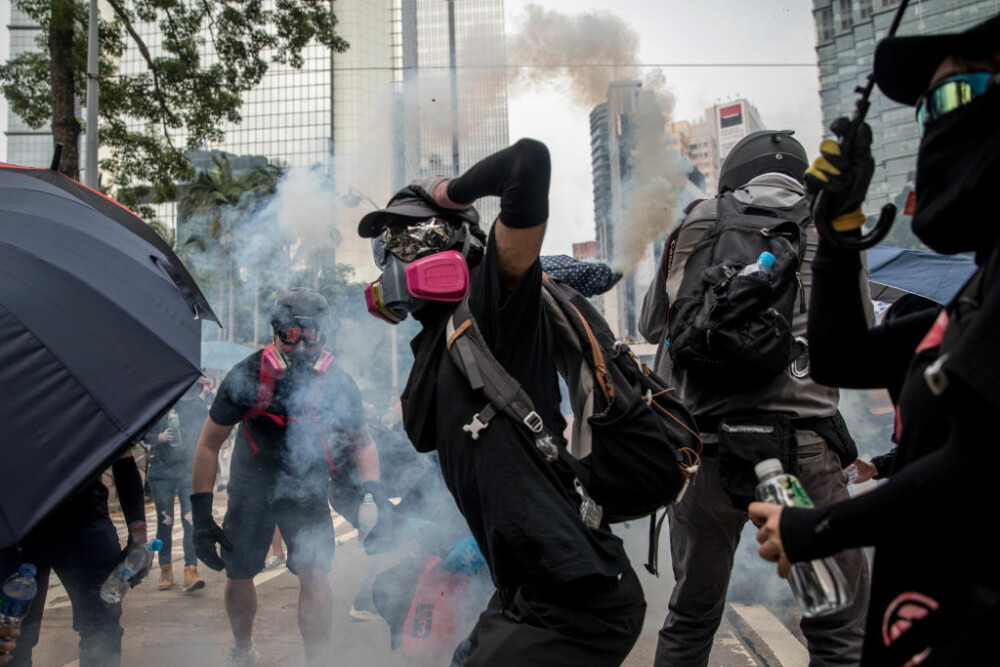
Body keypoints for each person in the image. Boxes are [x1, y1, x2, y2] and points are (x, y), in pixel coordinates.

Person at [750, 16, 1000, 666]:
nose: (936, 127)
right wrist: (837, 229)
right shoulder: (979, 294)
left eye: (955, 95)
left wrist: (812, 528)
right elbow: (843, 355)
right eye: (926, 111)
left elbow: (978, 468)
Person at [357, 139, 646, 665]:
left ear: (456, 244)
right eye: (386, 248)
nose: (392, 260)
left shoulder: (494, 306)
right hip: (528, 593)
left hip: (575, 597)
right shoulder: (437, 342)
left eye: (410, 237)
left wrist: (441, 192)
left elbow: (528, 162)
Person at [639, 130, 871, 666]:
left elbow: (655, 324)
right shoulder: (828, 222)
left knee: (692, 617)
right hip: (803, 454)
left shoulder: (698, 219)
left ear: (732, 178)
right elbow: (855, 338)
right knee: (837, 626)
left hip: (707, 453)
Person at [189, 288, 382, 666]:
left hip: (306, 486)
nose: (303, 347)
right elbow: (208, 445)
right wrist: (200, 515)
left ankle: (318, 660)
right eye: (293, 335)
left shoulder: (337, 380)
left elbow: (365, 443)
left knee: (315, 572)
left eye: (313, 336)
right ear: (276, 332)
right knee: (239, 572)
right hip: (250, 485)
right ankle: (243, 650)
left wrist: (371, 496)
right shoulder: (245, 375)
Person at [0, 451, 151, 666]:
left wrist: (138, 536)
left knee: (102, 626)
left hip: (83, 518)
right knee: (11, 637)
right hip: (15, 524)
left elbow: (123, 457)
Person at [145, 383, 209, 593]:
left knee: (190, 519)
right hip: (161, 470)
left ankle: (191, 570)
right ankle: (165, 570)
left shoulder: (198, 406)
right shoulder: (158, 404)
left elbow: (207, 435)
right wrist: (160, 437)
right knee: (165, 521)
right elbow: (145, 434)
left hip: (187, 469)